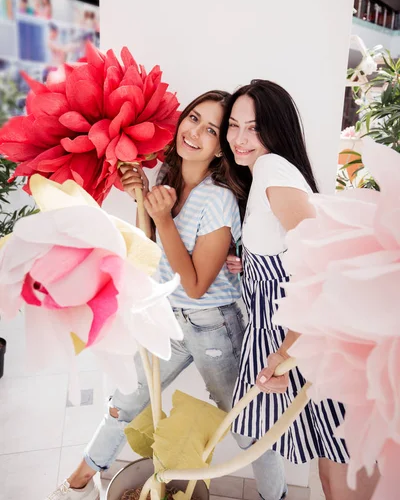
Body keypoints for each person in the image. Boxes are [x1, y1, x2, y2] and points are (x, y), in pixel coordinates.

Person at [46, 91, 246, 500]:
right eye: (193, 118)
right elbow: (151, 253)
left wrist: (161, 217)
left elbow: (195, 285)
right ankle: (83, 475)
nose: (196, 132)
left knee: (244, 423)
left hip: (213, 327)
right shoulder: (168, 179)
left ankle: (273, 494)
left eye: (211, 130)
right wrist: (142, 199)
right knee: (126, 398)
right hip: (168, 317)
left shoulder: (221, 198)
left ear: (221, 147)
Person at [222, 80, 380, 500]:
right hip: (303, 344)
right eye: (233, 126)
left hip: (310, 344)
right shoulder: (263, 176)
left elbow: (324, 263)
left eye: (252, 128)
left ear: (276, 129)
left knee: (341, 471)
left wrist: (289, 349)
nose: (239, 138)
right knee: (331, 469)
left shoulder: (272, 169)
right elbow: (287, 254)